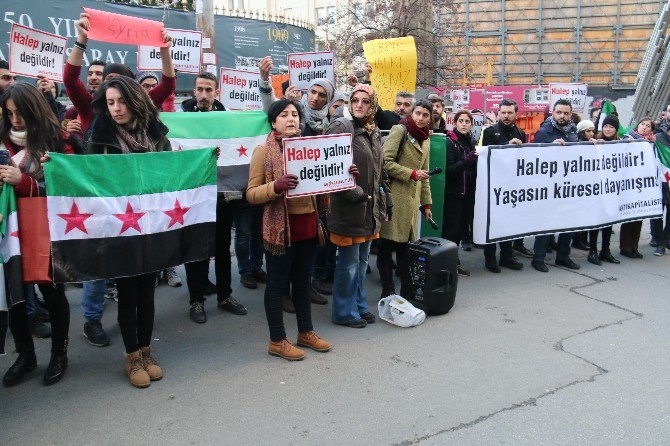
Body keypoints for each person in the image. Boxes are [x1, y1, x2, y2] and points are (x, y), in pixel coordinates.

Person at [84, 76, 170, 388]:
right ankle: (131, 356)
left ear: (134, 100)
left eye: (121, 101)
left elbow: (172, 171)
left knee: (147, 292)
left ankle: (147, 351)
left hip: (149, 226)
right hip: (119, 228)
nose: (116, 108)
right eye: (110, 103)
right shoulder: (101, 136)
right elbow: (88, 176)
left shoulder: (157, 134)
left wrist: (201, 162)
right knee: (128, 293)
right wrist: (55, 165)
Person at [1, 83, 80, 386]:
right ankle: (25, 355)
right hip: (10, 229)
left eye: (20, 113)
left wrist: (25, 182)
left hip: (47, 228)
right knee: (16, 295)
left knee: (51, 289)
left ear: (33, 108)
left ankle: (59, 354)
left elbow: (70, 188)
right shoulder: (2, 140)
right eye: (9, 114)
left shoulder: (60, 140)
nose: (15, 120)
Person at [246, 98, 332, 360]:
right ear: (274, 122)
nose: (291, 119)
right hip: (280, 232)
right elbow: (251, 194)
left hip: (307, 227)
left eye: (295, 114)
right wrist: (276, 186)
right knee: (277, 285)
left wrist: (344, 174)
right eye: (284, 115)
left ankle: (305, 332)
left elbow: (325, 180)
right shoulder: (263, 151)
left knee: (303, 283)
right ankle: (277, 340)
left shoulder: (311, 148)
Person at [179, 72, 247, 323]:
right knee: (196, 250)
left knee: (222, 249)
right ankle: (196, 300)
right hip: (195, 196)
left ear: (216, 92)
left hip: (222, 195)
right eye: (200, 89)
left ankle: (225, 295)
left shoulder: (226, 120)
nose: (204, 94)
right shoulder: (182, 121)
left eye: (209, 90)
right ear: (194, 92)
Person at [326, 84, 389, 327]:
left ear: (373, 105)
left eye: (365, 101)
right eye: (355, 100)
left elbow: (380, 171)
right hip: (349, 209)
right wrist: (356, 193)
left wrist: (386, 200)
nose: (359, 104)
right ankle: (344, 311)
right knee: (349, 263)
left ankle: (359, 305)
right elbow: (330, 166)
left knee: (362, 262)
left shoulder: (373, 131)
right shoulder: (342, 126)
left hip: (370, 210)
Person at [378, 100, 432, 297]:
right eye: (417, 113)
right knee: (386, 247)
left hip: (412, 200)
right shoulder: (400, 130)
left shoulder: (426, 139)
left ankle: (406, 293)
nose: (420, 118)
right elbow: (384, 162)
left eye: (425, 115)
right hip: (394, 198)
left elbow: (424, 175)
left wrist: (426, 204)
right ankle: (387, 291)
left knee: (405, 249)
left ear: (430, 118)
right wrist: (411, 173)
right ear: (412, 112)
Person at [531, 99, 580, 272]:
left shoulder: (573, 132)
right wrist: (551, 147)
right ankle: (538, 258)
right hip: (549, 187)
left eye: (566, 113)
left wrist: (593, 147)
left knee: (568, 222)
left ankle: (563, 257)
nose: (562, 116)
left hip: (569, 186)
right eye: (559, 112)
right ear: (553, 112)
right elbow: (534, 157)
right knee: (546, 223)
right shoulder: (544, 131)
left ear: (570, 114)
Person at [481, 99, 529, 272]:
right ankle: (490, 259)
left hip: (512, 185)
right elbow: (484, 154)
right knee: (492, 223)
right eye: (503, 113)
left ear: (516, 114)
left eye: (510, 113)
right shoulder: (490, 132)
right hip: (493, 184)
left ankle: (507, 256)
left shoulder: (521, 133)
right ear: (498, 113)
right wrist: (506, 146)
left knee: (509, 222)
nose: (506, 116)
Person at [443, 110, 477, 277]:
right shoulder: (450, 141)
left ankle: (453, 262)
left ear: (471, 124)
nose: (464, 124)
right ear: (455, 123)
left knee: (461, 230)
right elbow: (449, 170)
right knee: (451, 231)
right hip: (453, 194)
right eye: (461, 121)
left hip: (467, 194)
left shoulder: (471, 140)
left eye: (467, 121)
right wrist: (467, 160)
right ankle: (448, 265)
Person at [585, 116, 621, 265]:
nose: (608, 129)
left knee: (608, 221)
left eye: (611, 127)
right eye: (605, 126)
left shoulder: (620, 143)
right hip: (596, 189)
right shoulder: (594, 142)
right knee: (596, 220)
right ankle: (592, 251)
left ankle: (605, 250)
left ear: (616, 129)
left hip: (612, 189)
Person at [620, 117, 656, 259]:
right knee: (629, 216)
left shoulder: (651, 142)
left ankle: (634, 246)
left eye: (648, 126)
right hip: (630, 183)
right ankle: (625, 247)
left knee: (639, 215)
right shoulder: (628, 138)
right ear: (637, 125)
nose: (644, 127)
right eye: (642, 124)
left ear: (651, 130)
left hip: (643, 183)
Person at [651, 123, 670, 255]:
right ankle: (659, 242)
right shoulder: (657, 138)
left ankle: (666, 238)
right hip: (659, 181)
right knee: (657, 212)